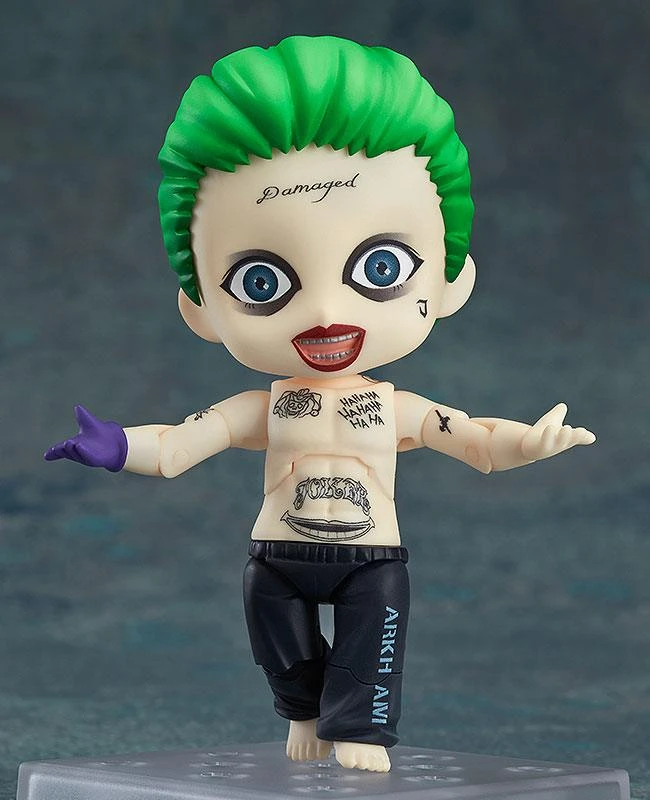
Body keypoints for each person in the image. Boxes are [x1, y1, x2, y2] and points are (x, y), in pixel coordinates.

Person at [45, 35, 595, 773]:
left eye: (381, 268)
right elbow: (177, 446)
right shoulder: (261, 408)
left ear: (451, 278)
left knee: (374, 643)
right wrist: (117, 446)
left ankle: (359, 727)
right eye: (262, 282)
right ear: (201, 307)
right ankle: (304, 710)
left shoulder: (397, 409)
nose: (327, 313)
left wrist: (526, 443)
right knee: (276, 639)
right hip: (276, 555)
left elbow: (470, 438)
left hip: (373, 558)